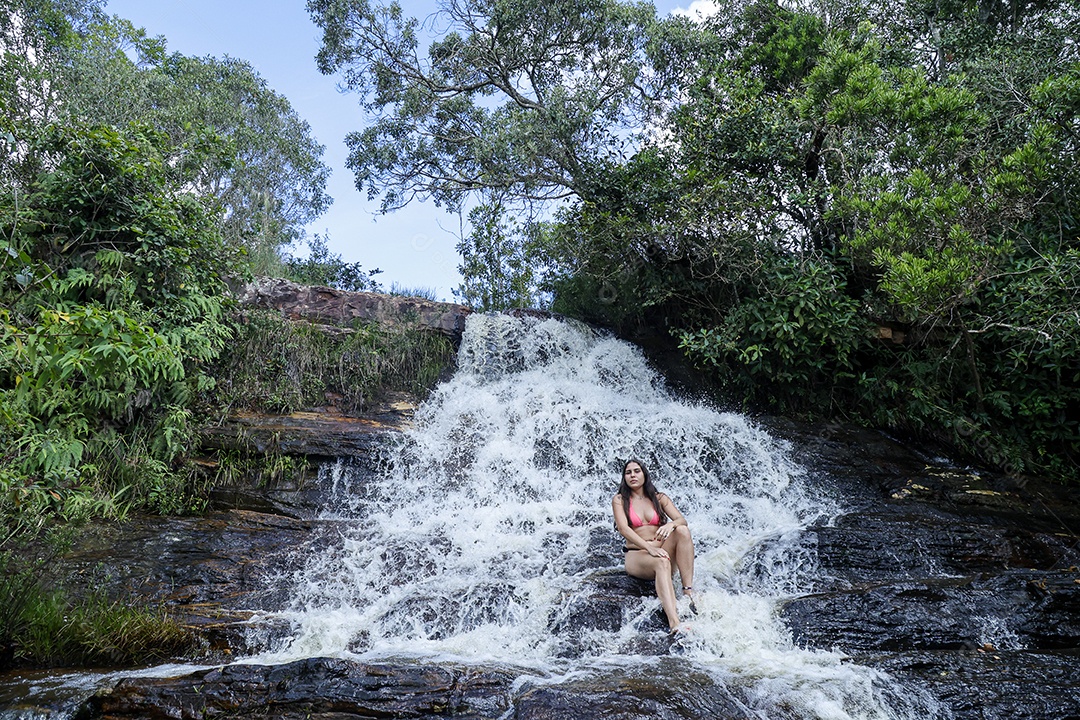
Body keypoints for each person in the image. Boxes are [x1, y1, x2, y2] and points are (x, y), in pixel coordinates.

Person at [611, 458, 696, 634]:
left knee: (682, 531)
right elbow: (623, 528)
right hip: (637, 554)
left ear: (644, 474)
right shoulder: (619, 500)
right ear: (624, 478)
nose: (633, 475)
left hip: (660, 548)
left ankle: (688, 593)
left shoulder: (659, 498)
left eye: (637, 471)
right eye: (628, 472)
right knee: (661, 562)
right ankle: (674, 623)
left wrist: (669, 525)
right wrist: (649, 548)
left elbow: (681, 520)